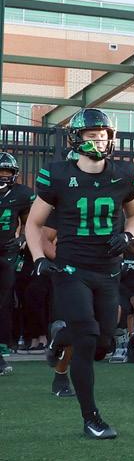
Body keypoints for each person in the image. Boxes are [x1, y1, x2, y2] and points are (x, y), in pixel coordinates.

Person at [25, 109, 134, 438]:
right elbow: (34, 223)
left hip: (108, 271)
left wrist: (128, 235)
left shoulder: (124, 172)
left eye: (103, 136)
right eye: (91, 136)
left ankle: (60, 337)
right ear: (76, 140)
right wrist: (39, 258)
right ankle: (91, 418)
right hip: (71, 269)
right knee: (88, 336)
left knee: (103, 343)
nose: (98, 142)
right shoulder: (57, 174)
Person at [0, 152, 35, 374]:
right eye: (0, 171)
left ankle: (4, 342)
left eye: (7, 172)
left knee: (4, 299)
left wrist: (21, 239)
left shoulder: (23, 194)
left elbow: (29, 222)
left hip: (7, 251)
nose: (3, 176)